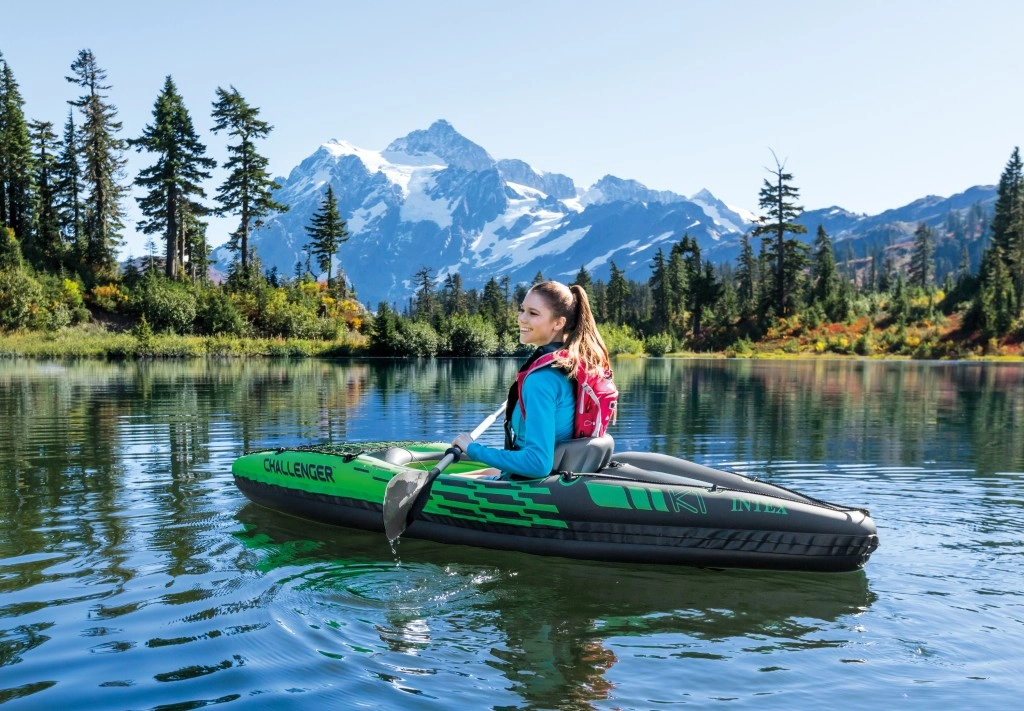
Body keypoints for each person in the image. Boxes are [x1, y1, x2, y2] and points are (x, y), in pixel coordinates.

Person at [451, 280, 612, 479]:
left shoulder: (541, 380)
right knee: (477, 473)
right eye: (522, 310)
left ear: (558, 323)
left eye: (533, 313)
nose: (521, 319)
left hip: (531, 481)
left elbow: (537, 464)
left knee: (432, 482)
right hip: (558, 473)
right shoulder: (574, 365)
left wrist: (472, 448)